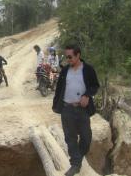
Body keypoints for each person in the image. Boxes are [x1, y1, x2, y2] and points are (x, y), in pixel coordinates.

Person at [52, 44, 100, 176]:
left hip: (82, 110)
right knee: (70, 138)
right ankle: (76, 164)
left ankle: (77, 159)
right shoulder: (65, 70)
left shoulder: (88, 69)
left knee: (86, 137)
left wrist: (87, 96)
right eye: (66, 57)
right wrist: (57, 104)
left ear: (78, 55)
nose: (68, 59)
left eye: (70, 57)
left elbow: (95, 86)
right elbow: (59, 88)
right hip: (67, 109)